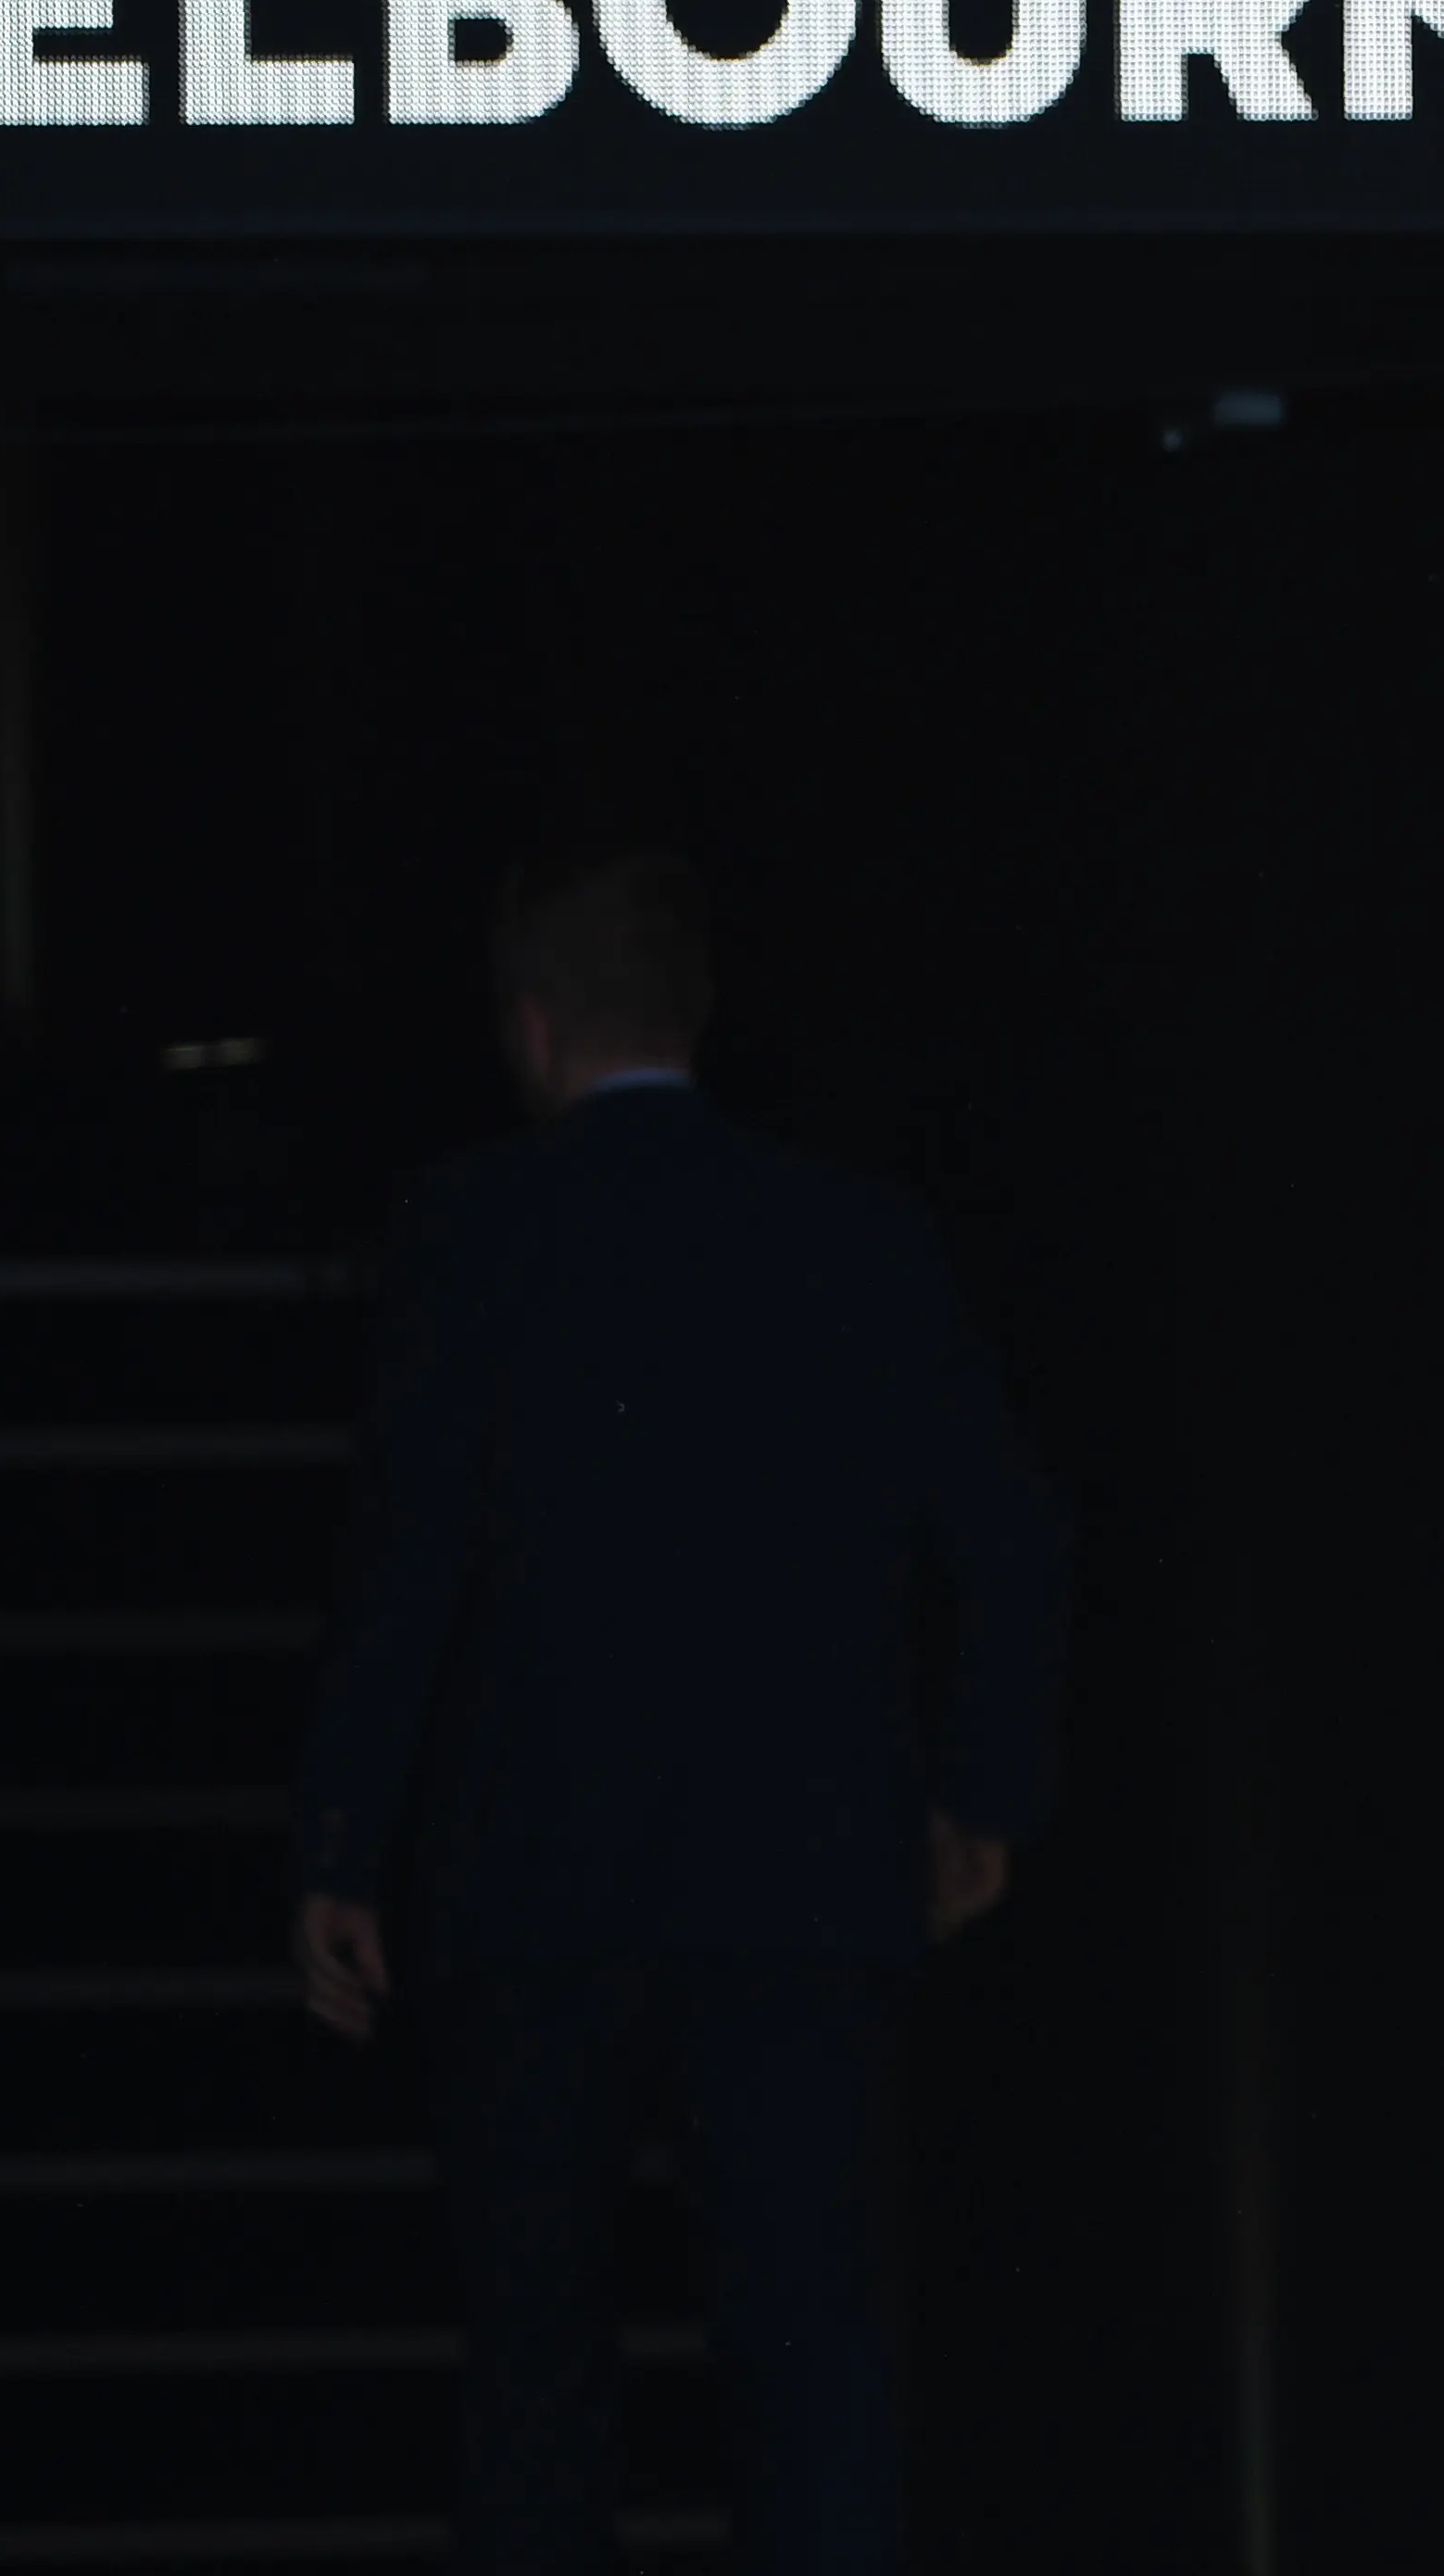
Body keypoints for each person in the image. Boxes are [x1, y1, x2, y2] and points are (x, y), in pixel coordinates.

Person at [291, 854, 1071, 2576]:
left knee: (536, 2382)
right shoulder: (859, 1237)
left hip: (534, 1873)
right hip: (798, 1875)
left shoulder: (471, 1230)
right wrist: (984, 1789)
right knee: (811, 2373)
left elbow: (406, 1560)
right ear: (696, 1016)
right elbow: (1007, 1530)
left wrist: (348, 1832)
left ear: (531, 1024)